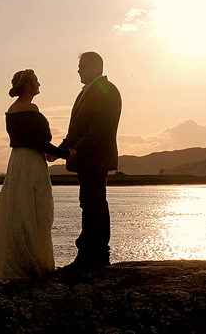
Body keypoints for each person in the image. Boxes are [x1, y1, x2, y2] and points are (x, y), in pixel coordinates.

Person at [0, 69, 72, 281]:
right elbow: (39, 142)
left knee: (19, 210)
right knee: (35, 209)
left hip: (18, 161)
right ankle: (35, 262)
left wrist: (51, 152)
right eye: (36, 82)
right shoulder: (31, 109)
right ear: (28, 86)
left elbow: (31, 140)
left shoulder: (12, 110)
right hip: (31, 163)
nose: (39, 85)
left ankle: (25, 259)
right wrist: (66, 153)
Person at [49, 51, 122, 271]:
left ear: (96, 67)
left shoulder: (107, 91)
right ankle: (92, 253)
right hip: (88, 157)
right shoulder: (88, 92)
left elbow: (100, 128)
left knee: (94, 203)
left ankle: (95, 255)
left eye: (83, 67)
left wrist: (74, 151)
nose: (79, 71)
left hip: (95, 157)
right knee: (90, 202)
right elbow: (77, 130)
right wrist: (59, 150)